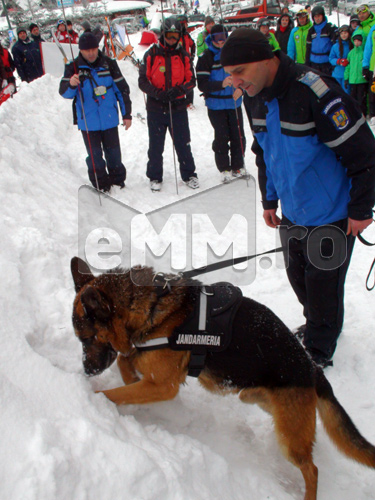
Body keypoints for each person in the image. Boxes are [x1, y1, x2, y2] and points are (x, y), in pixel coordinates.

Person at [220, 28, 375, 367]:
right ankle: (318, 324)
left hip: (330, 211)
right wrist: (269, 200)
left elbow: (364, 151)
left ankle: (320, 349)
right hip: (292, 209)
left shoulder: (316, 92)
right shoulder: (254, 95)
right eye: (229, 74)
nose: (233, 81)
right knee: (299, 276)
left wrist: (362, 208)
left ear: (266, 59)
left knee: (323, 282)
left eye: (238, 72)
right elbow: (264, 152)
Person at [59, 32, 132, 192]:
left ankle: (118, 180)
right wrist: (71, 84)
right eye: (87, 50)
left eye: (94, 49)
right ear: (81, 50)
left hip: (109, 119)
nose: (91, 53)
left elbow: (122, 90)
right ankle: (101, 184)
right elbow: (65, 93)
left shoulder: (109, 64)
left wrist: (127, 115)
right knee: (95, 157)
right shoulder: (73, 67)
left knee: (114, 154)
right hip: (88, 122)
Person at [138, 17, 198, 192]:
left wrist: (178, 91)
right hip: (156, 108)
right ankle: (155, 176)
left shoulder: (184, 55)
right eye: (169, 36)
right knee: (156, 145)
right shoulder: (151, 54)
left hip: (177, 107)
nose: (172, 40)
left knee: (183, 142)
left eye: (175, 36)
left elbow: (191, 80)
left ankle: (189, 174)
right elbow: (142, 81)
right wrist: (157, 93)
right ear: (163, 35)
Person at [196, 24, 245, 183]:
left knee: (238, 136)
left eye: (223, 39)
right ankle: (224, 167)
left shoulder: (235, 55)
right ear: (212, 39)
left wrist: (242, 89)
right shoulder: (205, 58)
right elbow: (202, 84)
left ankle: (238, 165)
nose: (220, 42)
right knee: (222, 137)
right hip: (216, 105)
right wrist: (221, 84)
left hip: (234, 103)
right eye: (217, 39)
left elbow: (247, 76)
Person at [305, 6, 337, 75]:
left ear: (323, 16)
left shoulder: (329, 28)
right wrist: (307, 64)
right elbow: (308, 48)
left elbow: (335, 46)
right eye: (315, 17)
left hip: (326, 63)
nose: (317, 18)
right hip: (314, 63)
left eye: (319, 16)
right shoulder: (311, 30)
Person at [344, 32, 368, 116]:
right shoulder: (351, 53)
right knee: (353, 99)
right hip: (353, 80)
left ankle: (363, 114)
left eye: (359, 41)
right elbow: (348, 66)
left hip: (361, 80)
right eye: (355, 41)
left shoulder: (364, 52)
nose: (357, 43)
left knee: (361, 99)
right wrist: (346, 78)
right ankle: (355, 114)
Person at [329, 25, 352, 92]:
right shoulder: (335, 46)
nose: (343, 35)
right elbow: (331, 58)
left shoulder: (351, 45)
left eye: (345, 33)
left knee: (346, 93)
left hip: (348, 75)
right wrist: (338, 61)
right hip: (337, 74)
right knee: (337, 93)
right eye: (342, 33)